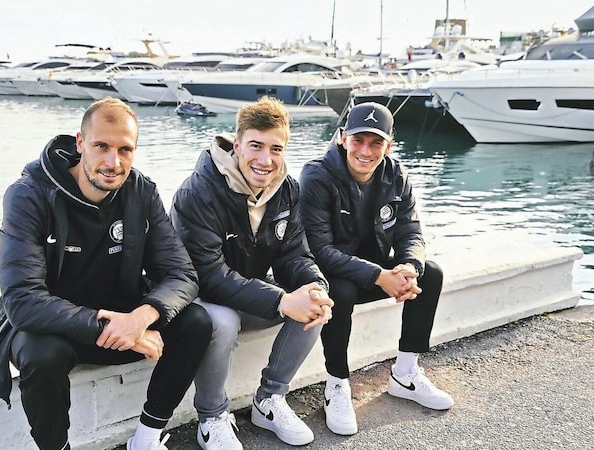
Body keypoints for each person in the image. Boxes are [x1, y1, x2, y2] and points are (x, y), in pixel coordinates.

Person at [0, 97, 212, 450]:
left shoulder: (141, 191)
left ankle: (147, 439)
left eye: (125, 149)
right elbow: (23, 300)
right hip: (54, 327)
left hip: (121, 316)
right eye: (101, 146)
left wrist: (142, 317)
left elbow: (182, 274)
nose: (112, 161)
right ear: (79, 143)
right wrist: (116, 328)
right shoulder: (29, 195)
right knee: (41, 356)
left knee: (196, 321)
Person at [171, 96, 334, 449]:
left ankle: (269, 400)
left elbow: (294, 253)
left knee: (314, 304)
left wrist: (314, 285)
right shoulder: (198, 192)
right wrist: (280, 300)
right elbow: (209, 275)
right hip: (197, 298)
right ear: (237, 144)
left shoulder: (286, 189)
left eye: (276, 149)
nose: (266, 160)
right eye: (256, 146)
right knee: (223, 321)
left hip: (249, 291)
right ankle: (211, 417)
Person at [298, 102, 454, 436]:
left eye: (375, 142)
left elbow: (412, 232)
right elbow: (320, 251)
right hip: (334, 270)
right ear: (342, 139)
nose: (365, 151)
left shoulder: (396, 173)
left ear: (389, 145)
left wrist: (409, 268)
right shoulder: (316, 175)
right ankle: (337, 384)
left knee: (432, 272)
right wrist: (380, 277)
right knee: (339, 290)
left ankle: (406, 373)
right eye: (358, 140)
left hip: (377, 267)